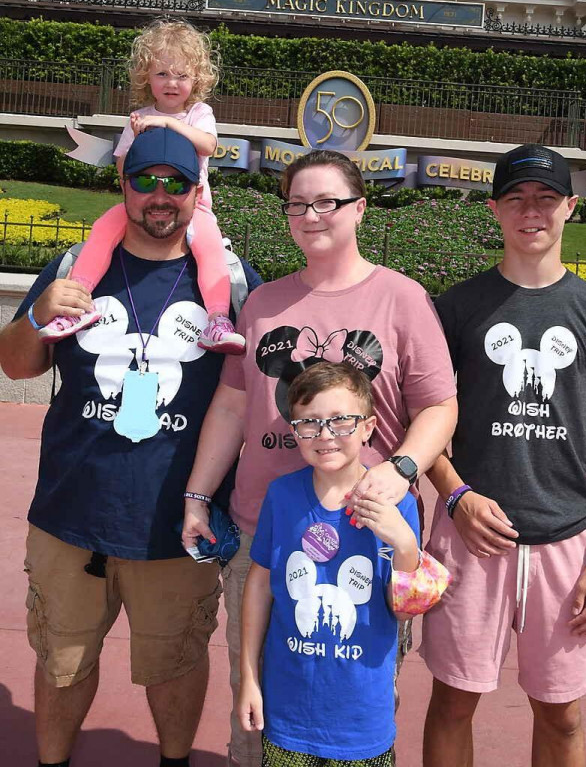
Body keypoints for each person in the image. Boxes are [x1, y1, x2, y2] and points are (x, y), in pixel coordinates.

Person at [182, 148, 457, 767]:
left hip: (365, 531)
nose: (311, 214)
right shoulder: (262, 305)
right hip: (266, 531)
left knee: (350, 692)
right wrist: (198, 495)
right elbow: (231, 407)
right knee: (254, 703)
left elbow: (441, 408)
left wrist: (401, 468)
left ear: (359, 209)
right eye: (298, 203)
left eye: (327, 201)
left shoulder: (402, 299)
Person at [0, 128, 261, 767]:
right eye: (145, 181)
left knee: (174, 662)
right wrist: (33, 320)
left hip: (178, 522)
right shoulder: (71, 269)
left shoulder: (230, 280)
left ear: (197, 193)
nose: (160, 196)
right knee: (61, 662)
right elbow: (16, 367)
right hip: (71, 514)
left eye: (176, 184)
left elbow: (265, 388)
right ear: (123, 185)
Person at [420, 144, 586, 767]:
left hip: (566, 545)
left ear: (570, 206)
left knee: (562, 714)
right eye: (516, 198)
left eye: (546, 198)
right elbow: (427, 423)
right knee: (453, 702)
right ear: (494, 209)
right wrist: (456, 495)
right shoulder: (457, 309)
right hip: (472, 538)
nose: (531, 211)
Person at [238, 362, 421, 767]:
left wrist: (404, 541)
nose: (325, 435)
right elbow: (258, 585)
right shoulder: (282, 496)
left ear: (368, 427)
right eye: (310, 423)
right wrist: (249, 678)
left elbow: (406, 608)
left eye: (341, 421)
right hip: (288, 713)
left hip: (362, 720)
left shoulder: (398, 503)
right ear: (294, 431)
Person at [39, 17, 244, 354]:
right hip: (143, 200)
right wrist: (138, 144)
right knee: (104, 229)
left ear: (197, 79)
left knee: (209, 247)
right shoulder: (137, 117)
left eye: (182, 75)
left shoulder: (198, 113)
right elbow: (122, 163)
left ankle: (218, 319)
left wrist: (164, 123)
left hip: (193, 205)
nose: (172, 83)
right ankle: (75, 304)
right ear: (147, 77)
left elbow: (207, 146)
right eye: (162, 73)